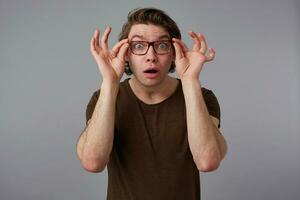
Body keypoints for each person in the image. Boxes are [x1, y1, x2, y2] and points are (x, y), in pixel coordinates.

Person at [76, 7, 227, 200]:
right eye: (138, 45)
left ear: (174, 53)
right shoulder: (104, 97)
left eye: (162, 45)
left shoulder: (202, 96)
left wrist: (190, 81)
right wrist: (110, 82)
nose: (151, 56)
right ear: (126, 54)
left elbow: (208, 162)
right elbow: (92, 162)